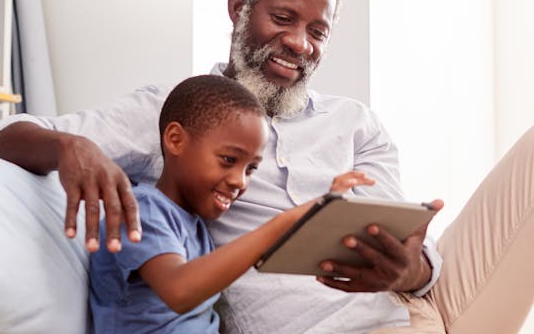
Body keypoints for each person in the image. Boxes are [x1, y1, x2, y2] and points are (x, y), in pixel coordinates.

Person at [0, 0, 534, 334]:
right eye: (283, 19)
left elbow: (413, 249)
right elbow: (2, 136)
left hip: (427, 312)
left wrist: (412, 271)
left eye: (317, 31)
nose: (299, 44)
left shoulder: (356, 123)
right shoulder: (175, 113)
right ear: (239, 10)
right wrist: (69, 148)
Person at [88, 75, 373, 333]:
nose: (240, 181)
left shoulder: (197, 227)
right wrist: (284, 223)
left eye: (250, 169)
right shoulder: (141, 210)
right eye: (228, 160)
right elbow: (179, 291)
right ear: (176, 140)